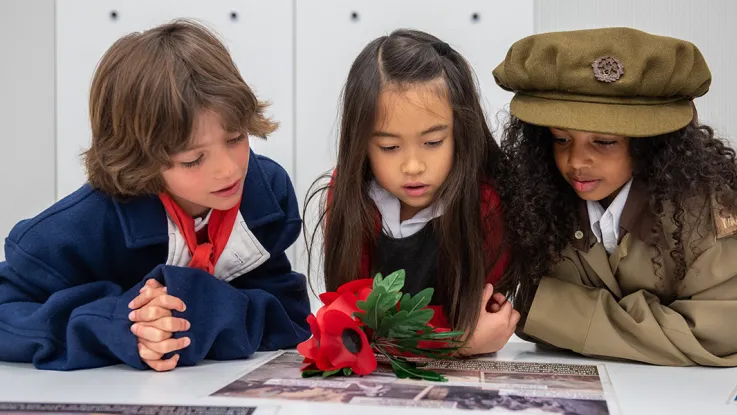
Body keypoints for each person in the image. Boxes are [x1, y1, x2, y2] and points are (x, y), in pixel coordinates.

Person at [0, 20, 310, 371]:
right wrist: (117, 324)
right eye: (193, 159)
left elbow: (290, 315)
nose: (229, 170)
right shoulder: (82, 227)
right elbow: (7, 312)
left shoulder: (265, 195)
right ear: (140, 157)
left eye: (236, 139)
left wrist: (194, 306)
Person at [496, 27, 737, 366]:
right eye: (561, 139)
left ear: (651, 144)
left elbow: (718, 335)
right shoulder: (535, 204)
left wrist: (547, 312)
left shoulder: (707, 213)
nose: (576, 161)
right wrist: (654, 326)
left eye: (604, 142)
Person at [304, 29, 519, 356]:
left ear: (461, 132)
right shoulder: (350, 196)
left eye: (433, 143)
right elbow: (354, 321)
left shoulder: (486, 204)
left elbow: (486, 317)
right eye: (389, 147)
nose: (413, 166)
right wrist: (454, 342)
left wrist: (453, 333)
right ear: (361, 144)